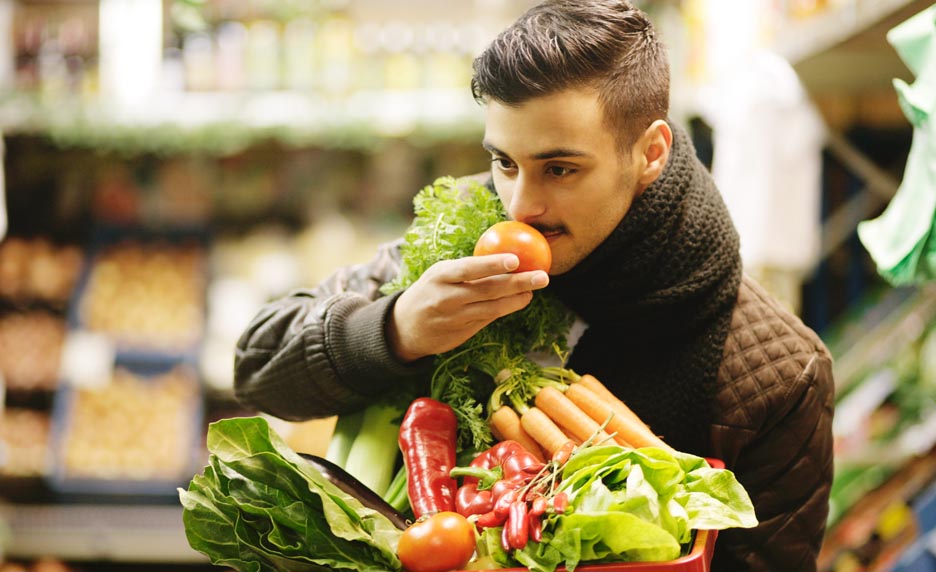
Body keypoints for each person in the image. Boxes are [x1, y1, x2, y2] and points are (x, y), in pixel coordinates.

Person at [233, 1, 834, 570]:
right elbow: (258, 367)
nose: (520, 205)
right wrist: (394, 329)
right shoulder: (459, 239)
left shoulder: (779, 374)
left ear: (650, 153)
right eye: (504, 163)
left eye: (560, 169)